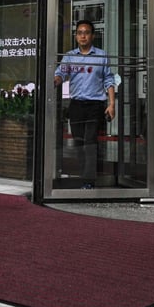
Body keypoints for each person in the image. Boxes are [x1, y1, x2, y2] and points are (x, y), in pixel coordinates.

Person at [53, 20, 116, 189]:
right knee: (79, 142)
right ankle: (84, 177)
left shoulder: (101, 55)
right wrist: (54, 80)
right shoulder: (70, 56)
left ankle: (89, 181)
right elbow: (60, 74)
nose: (83, 35)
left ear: (92, 36)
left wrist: (111, 104)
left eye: (86, 32)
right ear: (76, 36)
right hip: (76, 105)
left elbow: (109, 80)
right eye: (80, 32)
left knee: (89, 141)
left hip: (95, 105)